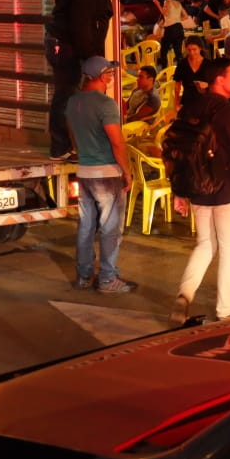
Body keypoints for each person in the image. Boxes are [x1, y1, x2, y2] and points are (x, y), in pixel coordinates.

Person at [171, 57, 230, 323]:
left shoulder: (189, 110)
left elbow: (179, 153)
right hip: (229, 191)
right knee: (229, 251)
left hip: (199, 189)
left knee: (205, 244)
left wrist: (178, 190)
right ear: (219, 80)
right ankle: (225, 310)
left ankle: (184, 295)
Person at [65, 56, 135, 293]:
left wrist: (84, 153)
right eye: (110, 73)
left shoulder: (73, 102)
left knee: (86, 226)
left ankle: (84, 276)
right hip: (107, 173)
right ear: (102, 76)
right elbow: (117, 142)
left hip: (84, 171)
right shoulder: (106, 104)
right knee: (110, 228)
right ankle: (107, 278)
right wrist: (127, 172)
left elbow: (73, 136)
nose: (112, 77)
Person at [45, 0, 116, 161]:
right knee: (66, 95)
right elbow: (81, 21)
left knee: (71, 96)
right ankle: (60, 147)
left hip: (71, 46)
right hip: (69, 47)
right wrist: (91, 58)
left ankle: (71, 145)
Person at [151, 0, 188, 68]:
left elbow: (165, 13)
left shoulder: (167, 1)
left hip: (170, 29)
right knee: (178, 52)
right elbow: (186, 16)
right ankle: (182, 70)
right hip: (179, 28)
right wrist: (177, 19)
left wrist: (157, 4)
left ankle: (165, 70)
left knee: (164, 51)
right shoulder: (178, 3)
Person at [174, 36, 210, 109]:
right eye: (189, 50)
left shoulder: (208, 64)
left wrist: (207, 84)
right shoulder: (182, 64)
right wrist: (176, 104)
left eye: (194, 49)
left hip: (205, 100)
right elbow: (177, 86)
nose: (191, 53)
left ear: (200, 48)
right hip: (188, 99)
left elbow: (215, 84)